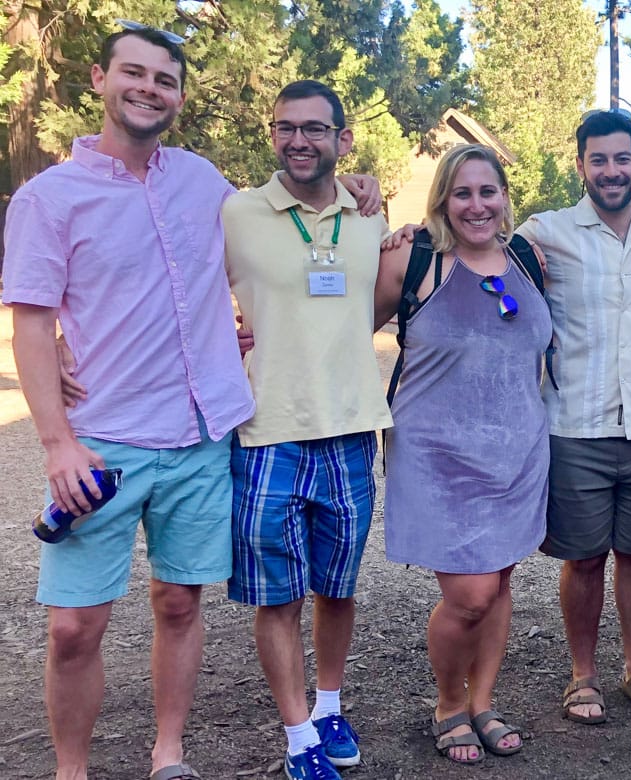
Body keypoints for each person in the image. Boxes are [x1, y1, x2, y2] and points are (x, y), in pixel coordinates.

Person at [2, 24, 255, 780]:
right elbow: (30, 322)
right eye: (134, 74)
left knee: (180, 604)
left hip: (199, 436)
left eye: (164, 79)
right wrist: (56, 443)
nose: (149, 88)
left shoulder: (205, 182)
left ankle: (168, 753)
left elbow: (282, 227)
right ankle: (70, 771)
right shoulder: (49, 199)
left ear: (179, 95)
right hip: (101, 444)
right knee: (75, 627)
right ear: (100, 79)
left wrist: (361, 190)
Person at [222, 80, 392, 780]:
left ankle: (328, 705)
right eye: (286, 127)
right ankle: (298, 740)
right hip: (268, 433)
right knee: (277, 594)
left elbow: (379, 301)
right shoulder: (235, 212)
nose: (299, 140)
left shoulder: (371, 216)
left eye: (316, 129)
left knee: (338, 586)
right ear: (273, 133)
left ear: (342, 140)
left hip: (352, 428)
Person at [374, 144, 550, 765]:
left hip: (519, 450)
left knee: (500, 582)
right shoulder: (413, 261)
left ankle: (484, 701)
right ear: (444, 199)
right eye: (463, 193)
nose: (477, 205)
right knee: (469, 595)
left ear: (505, 198)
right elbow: (344, 329)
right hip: (438, 456)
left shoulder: (530, 258)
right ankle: (449, 702)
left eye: (488, 191)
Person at [514, 109, 631, 725]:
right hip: (575, 426)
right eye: (599, 159)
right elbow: (479, 255)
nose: (611, 171)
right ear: (580, 163)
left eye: (622, 158)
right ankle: (582, 675)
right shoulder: (544, 232)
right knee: (582, 558)